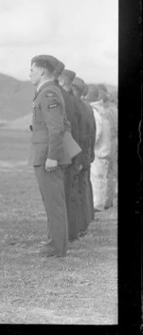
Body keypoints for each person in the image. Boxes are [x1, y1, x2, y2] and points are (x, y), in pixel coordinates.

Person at [28, 55, 81, 258]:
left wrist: (52, 156)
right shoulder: (46, 92)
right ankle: (53, 241)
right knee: (50, 201)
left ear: (42, 72)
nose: (29, 74)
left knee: (54, 202)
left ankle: (56, 247)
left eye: (32, 70)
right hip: (44, 153)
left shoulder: (49, 93)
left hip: (47, 155)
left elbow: (57, 128)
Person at [57, 68, 84, 242]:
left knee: (63, 196)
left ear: (62, 80)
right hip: (74, 152)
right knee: (70, 194)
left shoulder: (63, 99)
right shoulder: (75, 101)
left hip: (65, 153)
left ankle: (65, 234)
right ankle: (71, 231)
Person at [70, 76, 96, 232]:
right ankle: (85, 222)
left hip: (77, 155)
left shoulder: (76, 106)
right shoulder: (87, 107)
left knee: (76, 190)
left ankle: (77, 226)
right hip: (85, 154)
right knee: (84, 187)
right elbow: (93, 132)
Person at [85, 85, 114, 213]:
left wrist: (89, 145)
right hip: (105, 149)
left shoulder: (95, 111)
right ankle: (100, 203)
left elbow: (97, 131)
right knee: (101, 178)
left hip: (98, 150)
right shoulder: (102, 110)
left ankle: (97, 205)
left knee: (97, 179)